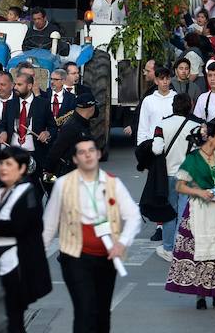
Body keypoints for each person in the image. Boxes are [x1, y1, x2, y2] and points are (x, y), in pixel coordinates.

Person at [42, 136, 141, 333]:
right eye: (81, 152)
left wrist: (121, 243)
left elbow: (133, 216)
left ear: (98, 154)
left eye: (91, 151)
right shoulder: (63, 184)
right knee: (85, 310)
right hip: (75, 256)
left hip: (107, 256)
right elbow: (49, 225)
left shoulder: (113, 183)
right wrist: (36, 258)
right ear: (75, 159)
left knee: (102, 313)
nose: (87, 155)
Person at [0, 147, 51, 333]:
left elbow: (17, 228)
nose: (3, 168)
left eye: (9, 164)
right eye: (1, 163)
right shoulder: (2, 191)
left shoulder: (28, 193)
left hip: (17, 266)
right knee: (0, 317)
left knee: (13, 318)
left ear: (22, 169)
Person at [165, 121, 215, 309]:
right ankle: (201, 294)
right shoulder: (193, 159)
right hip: (200, 208)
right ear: (210, 138)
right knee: (200, 251)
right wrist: (199, 192)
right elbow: (179, 185)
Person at [152, 94, 202, 261]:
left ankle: (168, 248)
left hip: (167, 174)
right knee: (184, 212)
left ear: (173, 106)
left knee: (169, 212)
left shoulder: (162, 124)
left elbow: (157, 149)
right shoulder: (196, 126)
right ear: (190, 106)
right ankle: (183, 248)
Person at [44, 91, 96, 178]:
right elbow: (56, 149)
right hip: (70, 174)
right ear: (91, 108)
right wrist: (48, 169)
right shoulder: (72, 127)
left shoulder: (82, 124)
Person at [135, 66, 176, 145]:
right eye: (161, 79)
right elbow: (143, 126)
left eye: (167, 79)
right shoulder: (148, 100)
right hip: (152, 144)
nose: (165, 82)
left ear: (170, 80)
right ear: (156, 81)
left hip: (172, 145)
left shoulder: (176, 98)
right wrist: (141, 145)